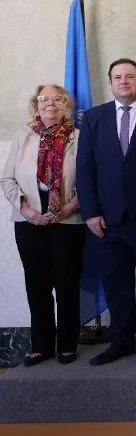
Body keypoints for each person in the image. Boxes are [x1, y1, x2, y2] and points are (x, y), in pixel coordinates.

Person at [76, 58, 136, 367]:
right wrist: (91, 212)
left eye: (130, 76)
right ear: (110, 83)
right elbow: (85, 168)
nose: (124, 81)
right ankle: (122, 341)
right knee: (116, 284)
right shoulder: (93, 118)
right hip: (107, 220)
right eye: (117, 77)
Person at [1, 85, 84, 366]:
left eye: (57, 99)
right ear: (35, 105)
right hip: (29, 220)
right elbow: (7, 180)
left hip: (68, 219)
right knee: (36, 284)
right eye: (44, 99)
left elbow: (90, 177)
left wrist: (72, 206)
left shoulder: (79, 138)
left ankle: (68, 345)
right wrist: (27, 211)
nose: (50, 103)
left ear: (66, 106)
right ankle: (41, 346)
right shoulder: (22, 139)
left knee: (67, 282)